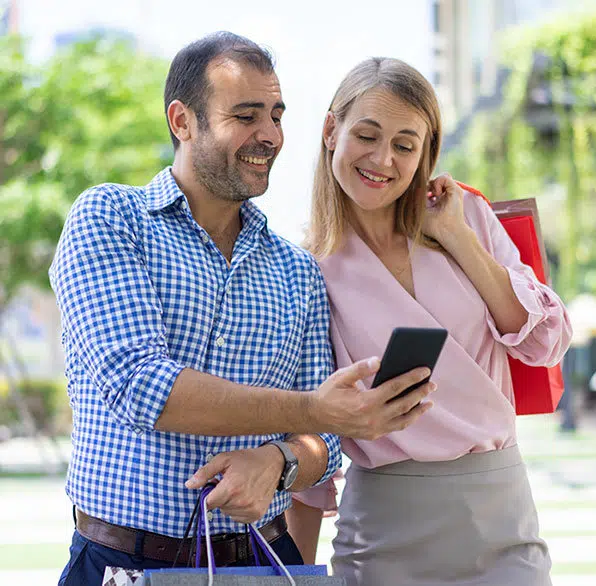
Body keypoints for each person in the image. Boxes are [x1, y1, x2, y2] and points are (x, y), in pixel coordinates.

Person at [50, 34, 434, 586]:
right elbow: (140, 386)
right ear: (182, 121)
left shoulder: (296, 270)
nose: (270, 135)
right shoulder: (111, 218)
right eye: (246, 115)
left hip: (259, 562)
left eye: (276, 115)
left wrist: (277, 462)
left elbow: (325, 445)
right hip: (119, 563)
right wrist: (315, 412)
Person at [287, 57, 572, 585]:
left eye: (404, 144)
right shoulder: (306, 270)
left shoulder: (468, 222)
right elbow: (310, 431)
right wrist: (296, 574)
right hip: (382, 538)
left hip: (500, 523)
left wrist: (459, 238)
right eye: (366, 136)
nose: (382, 159)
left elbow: (547, 342)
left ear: (425, 152)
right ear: (331, 130)